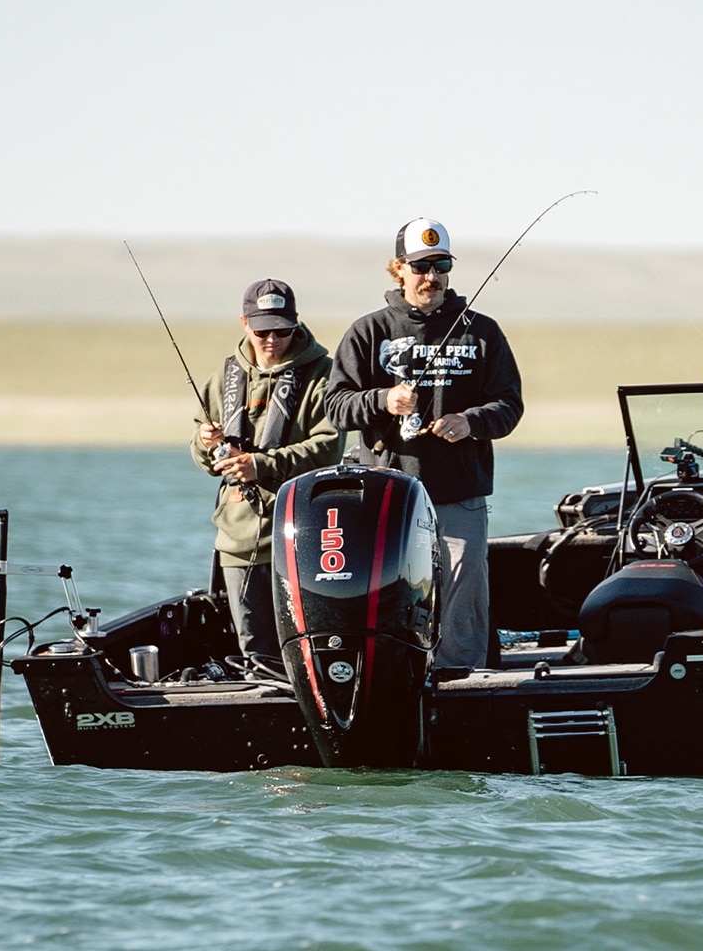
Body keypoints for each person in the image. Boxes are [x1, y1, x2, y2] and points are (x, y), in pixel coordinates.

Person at [326, 219, 523, 669]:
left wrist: (470, 422)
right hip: (387, 495)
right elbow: (335, 407)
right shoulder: (368, 331)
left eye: (441, 266)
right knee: (385, 590)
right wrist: (383, 400)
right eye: (420, 267)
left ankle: (462, 677)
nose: (431, 277)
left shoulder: (482, 331)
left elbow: (509, 405)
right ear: (398, 268)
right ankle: (391, 673)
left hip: (459, 492)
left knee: (464, 589)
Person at [192, 278, 341, 677]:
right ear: (245, 324)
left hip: (301, 533)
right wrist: (205, 443)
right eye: (262, 332)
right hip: (238, 536)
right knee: (254, 651)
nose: (272, 340)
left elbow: (328, 447)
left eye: (282, 330)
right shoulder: (223, 378)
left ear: (296, 324)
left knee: (306, 646)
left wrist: (260, 465)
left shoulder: (323, 375)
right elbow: (203, 456)